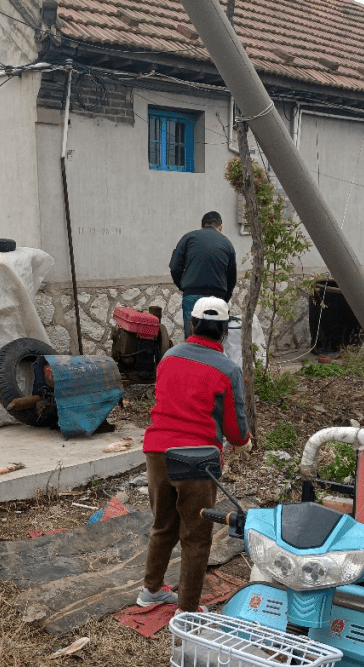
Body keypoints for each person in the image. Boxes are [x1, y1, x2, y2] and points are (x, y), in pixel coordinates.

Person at [138, 296, 251, 613]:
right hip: (197, 461)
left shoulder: (169, 358)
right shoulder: (227, 370)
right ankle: (187, 610)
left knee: (163, 525)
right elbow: (235, 429)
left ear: (192, 324)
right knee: (196, 536)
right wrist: (244, 441)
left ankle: (150, 590)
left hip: (157, 453)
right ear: (224, 331)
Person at [170, 211, 238, 338]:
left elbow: (174, 267)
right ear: (220, 227)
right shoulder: (227, 244)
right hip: (217, 298)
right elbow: (232, 278)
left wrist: (185, 287)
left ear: (201, 226)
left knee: (192, 339)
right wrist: (224, 298)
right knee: (214, 340)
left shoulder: (188, 238)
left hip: (192, 296)